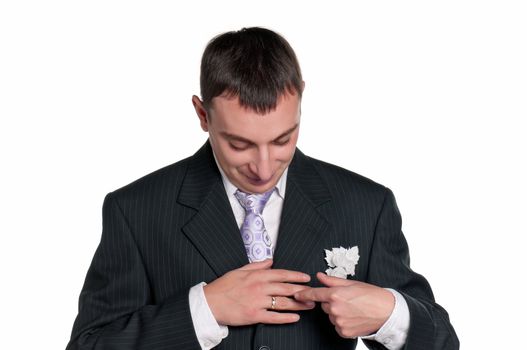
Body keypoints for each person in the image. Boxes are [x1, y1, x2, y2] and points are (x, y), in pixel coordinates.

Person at [67, 27, 459, 350]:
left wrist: (389, 314)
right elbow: (89, 344)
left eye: (283, 139)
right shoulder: (135, 210)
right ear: (202, 115)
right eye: (240, 144)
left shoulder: (366, 205)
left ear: (301, 101)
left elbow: (443, 342)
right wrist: (204, 310)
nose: (264, 167)